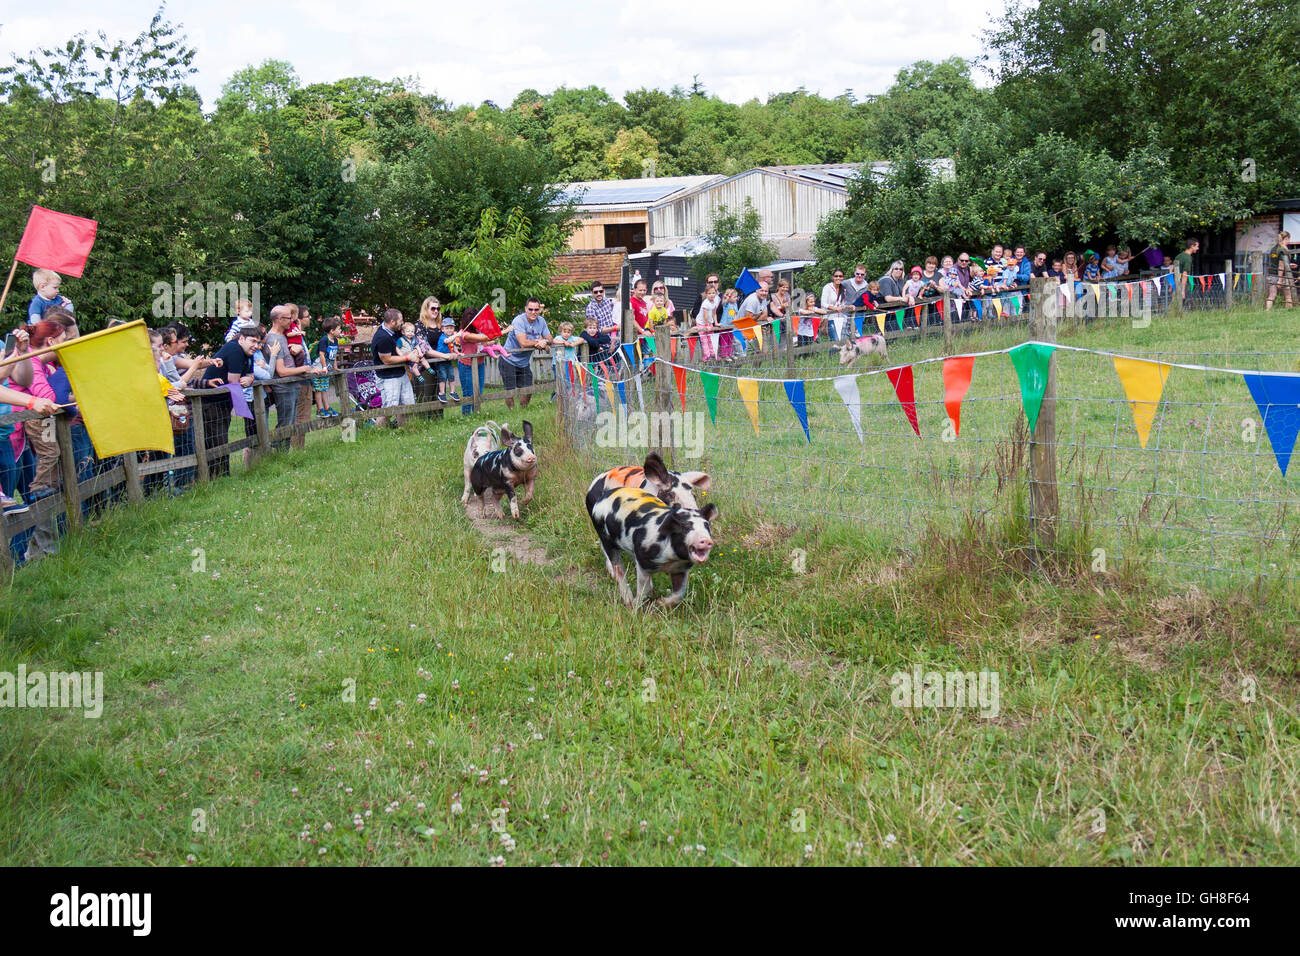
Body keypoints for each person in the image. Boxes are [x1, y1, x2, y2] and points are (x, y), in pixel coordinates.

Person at [200, 325, 259, 478]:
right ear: (241, 339)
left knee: (221, 438)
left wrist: (250, 378)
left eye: (258, 342)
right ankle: (219, 477)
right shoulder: (234, 350)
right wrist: (246, 379)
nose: (256, 346)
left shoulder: (248, 352)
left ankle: (222, 475)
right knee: (217, 441)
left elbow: (250, 374)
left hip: (224, 402)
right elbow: (233, 380)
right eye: (253, 341)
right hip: (210, 403)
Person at [265, 305, 317, 449]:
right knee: (285, 423)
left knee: (290, 423)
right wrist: (305, 368)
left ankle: (283, 453)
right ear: (279, 319)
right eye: (288, 318)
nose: (292, 320)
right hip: (283, 388)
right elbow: (281, 371)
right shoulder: (273, 339)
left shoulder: (284, 336)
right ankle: (277, 451)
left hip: (293, 386)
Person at [499, 298, 550, 409]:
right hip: (508, 359)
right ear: (525, 309)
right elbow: (523, 343)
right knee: (510, 390)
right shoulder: (519, 321)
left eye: (536, 309)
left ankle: (523, 410)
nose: (533, 312)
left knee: (528, 389)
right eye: (530, 309)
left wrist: (545, 341)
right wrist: (538, 342)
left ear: (539, 310)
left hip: (523, 362)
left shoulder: (541, 321)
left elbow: (549, 338)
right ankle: (512, 412)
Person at [372, 308, 419, 425]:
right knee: (390, 408)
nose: (402, 323)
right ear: (392, 322)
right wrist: (408, 357)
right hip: (388, 377)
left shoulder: (394, 331)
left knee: (408, 404)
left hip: (400, 373)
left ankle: (404, 430)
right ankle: (378, 432)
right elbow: (387, 360)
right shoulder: (382, 337)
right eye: (400, 321)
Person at [453, 307, 490, 416]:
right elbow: (482, 338)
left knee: (479, 391)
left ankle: (476, 414)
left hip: (479, 364)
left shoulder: (479, 331)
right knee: (468, 393)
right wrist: (501, 331)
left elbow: (484, 342)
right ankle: (466, 416)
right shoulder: (464, 334)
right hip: (466, 366)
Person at [313, 316, 341, 416]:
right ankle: (320, 409)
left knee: (324, 387)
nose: (340, 330)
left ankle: (327, 407)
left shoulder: (336, 341)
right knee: (318, 388)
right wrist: (324, 367)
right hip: (320, 367)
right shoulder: (324, 340)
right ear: (332, 331)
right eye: (339, 329)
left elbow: (334, 355)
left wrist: (335, 367)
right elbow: (321, 354)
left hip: (328, 367)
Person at [1265, 230, 1295, 310]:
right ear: (1287, 238)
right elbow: (1281, 266)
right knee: (1288, 296)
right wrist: (1280, 280)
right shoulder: (1283, 250)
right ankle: (1289, 312)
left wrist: (1289, 265)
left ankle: (1267, 312)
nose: (1289, 241)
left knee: (1272, 295)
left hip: (1272, 274)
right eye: (1289, 239)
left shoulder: (1274, 249)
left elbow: (1276, 262)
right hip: (1282, 275)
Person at [820, 268, 849, 341]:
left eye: (840, 276)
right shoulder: (827, 287)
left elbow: (842, 304)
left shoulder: (843, 289)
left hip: (841, 318)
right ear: (833, 277)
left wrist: (848, 306)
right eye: (836, 276)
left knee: (842, 340)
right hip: (830, 318)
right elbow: (823, 303)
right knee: (835, 340)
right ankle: (832, 352)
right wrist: (834, 308)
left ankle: (834, 352)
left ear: (843, 277)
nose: (838, 278)